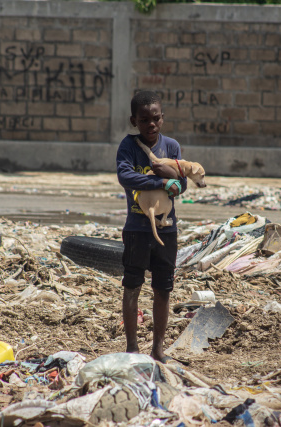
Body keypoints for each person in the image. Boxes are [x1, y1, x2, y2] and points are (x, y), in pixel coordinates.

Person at [116, 90, 188, 363]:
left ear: (162, 118)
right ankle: (132, 347)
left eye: (156, 118)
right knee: (132, 286)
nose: (151, 124)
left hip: (166, 229)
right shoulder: (129, 146)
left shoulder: (171, 147)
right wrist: (161, 182)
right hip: (137, 228)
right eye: (144, 119)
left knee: (163, 289)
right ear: (134, 120)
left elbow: (180, 185)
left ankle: (158, 348)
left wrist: (173, 177)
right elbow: (126, 176)